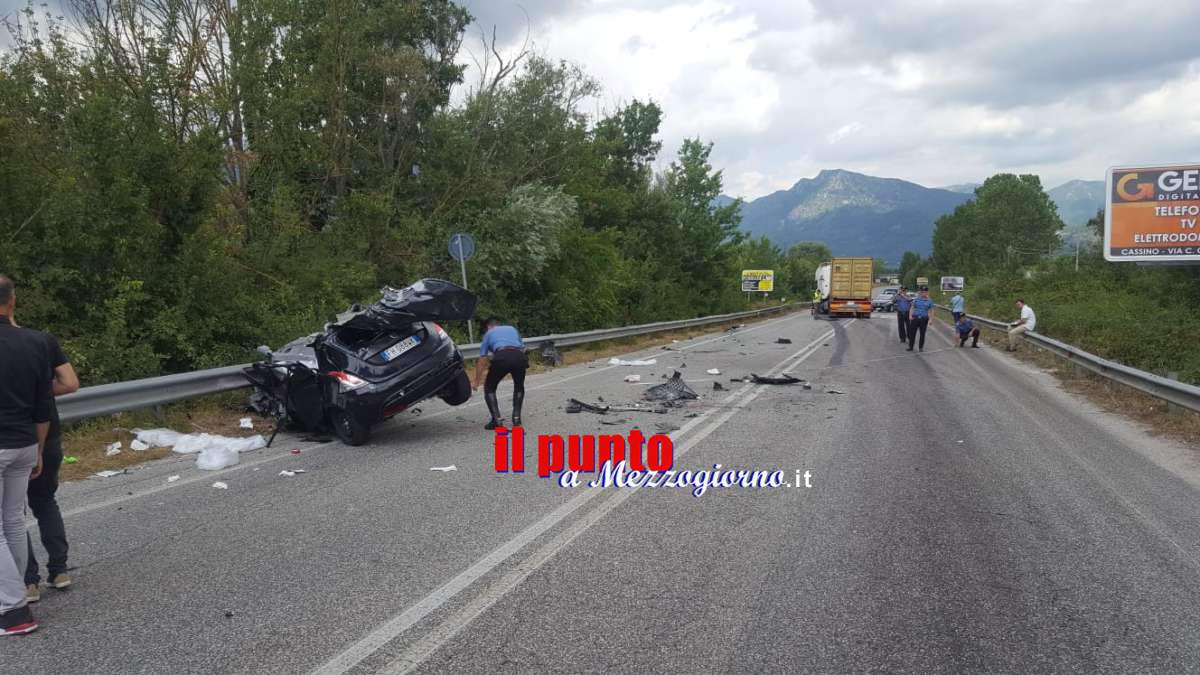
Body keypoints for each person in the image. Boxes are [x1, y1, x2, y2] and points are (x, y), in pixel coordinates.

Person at [8, 310, 79, 603]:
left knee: (11, 513)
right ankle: (59, 570)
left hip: (11, 436)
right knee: (45, 501)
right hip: (46, 433)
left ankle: (28, 581)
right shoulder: (42, 341)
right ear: (12, 303)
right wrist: (38, 390)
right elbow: (70, 383)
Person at [0, 275, 51, 635]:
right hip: (24, 443)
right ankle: (17, 594)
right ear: (12, 302)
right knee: (14, 521)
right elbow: (43, 406)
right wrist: (39, 451)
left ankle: (13, 611)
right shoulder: (35, 342)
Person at [473, 318, 528, 430]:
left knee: (489, 388)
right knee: (519, 386)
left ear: (488, 327)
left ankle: (496, 420)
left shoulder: (488, 333)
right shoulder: (512, 328)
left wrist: (477, 381)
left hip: (502, 356)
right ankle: (516, 419)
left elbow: (483, 358)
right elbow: (523, 348)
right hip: (519, 357)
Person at [907, 286, 934, 352]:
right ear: (920, 292)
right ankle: (911, 347)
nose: (923, 293)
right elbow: (912, 307)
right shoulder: (916, 299)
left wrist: (931, 319)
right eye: (922, 292)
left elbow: (932, 310)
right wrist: (910, 316)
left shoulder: (929, 301)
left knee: (922, 334)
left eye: (925, 292)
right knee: (912, 333)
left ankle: (921, 347)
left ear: (927, 292)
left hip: (924, 319)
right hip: (915, 318)